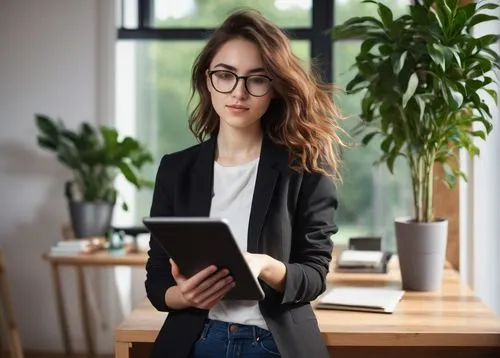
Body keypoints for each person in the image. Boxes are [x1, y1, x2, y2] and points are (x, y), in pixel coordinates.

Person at [145, 8, 343, 358]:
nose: (238, 92)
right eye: (225, 75)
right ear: (208, 79)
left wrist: (264, 266)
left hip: (271, 343)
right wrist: (184, 296)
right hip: (196, 338)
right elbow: (158, 279)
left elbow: (314, 276)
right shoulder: (176, 169)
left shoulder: (307, 167)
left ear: (275, 89)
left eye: (257, 78)